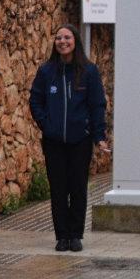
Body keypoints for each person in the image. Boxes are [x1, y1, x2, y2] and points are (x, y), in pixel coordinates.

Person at [28, 25, 109, 252]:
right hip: (54, 141)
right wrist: (46, 124)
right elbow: (35, 101)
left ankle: (75, 235)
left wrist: (98, 135)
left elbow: (97, 105)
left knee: (78, 187)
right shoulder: (47, 72)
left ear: (75, 41)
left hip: (80, 140)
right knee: (58, 189)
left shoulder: (89, 71)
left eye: (67, 37)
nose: (62, 41)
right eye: (58, 38)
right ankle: (62, 236)